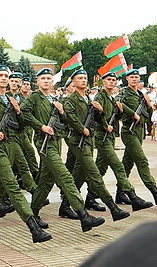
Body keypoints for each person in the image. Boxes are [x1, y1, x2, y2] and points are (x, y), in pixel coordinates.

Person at [0, 65, 52, 243]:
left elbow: (21, 125)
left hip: (13, 145)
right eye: (0, 75)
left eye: (6, 75)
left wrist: (18, 110)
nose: (4, 78)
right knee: (12, 186)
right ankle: (33, 227)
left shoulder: (11, 99)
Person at [21, 68, 105, 232]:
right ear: (37, 82)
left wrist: (61, 111)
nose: (46, 81)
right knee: (65, 177)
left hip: (56, 141)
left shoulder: (54, 98)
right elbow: (23, 114)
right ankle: (83, 215)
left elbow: (65, 121)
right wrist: (41, 126)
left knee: (46, 181)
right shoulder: (34, 98)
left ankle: (33, 212)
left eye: (49, 78)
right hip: (44, 143)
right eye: (43, 78)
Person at [64, 69, 130, 222]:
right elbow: (71, 118)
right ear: (73, 81)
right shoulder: (70, 99)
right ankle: (113, 208)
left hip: (88, 141)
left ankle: (65, 205)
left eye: (85, 78)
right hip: (77, 141)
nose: (83, 80)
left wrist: (99, 112)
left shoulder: (88, 98)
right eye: (79, 78)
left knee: (79, 175)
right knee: (94, 175)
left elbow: (94, 117)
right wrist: (83, 129)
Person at [94, 72, 152, 211]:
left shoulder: (114, 96)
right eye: (109, 80)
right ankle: (135, 195)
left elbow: (117, 114)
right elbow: (97, 115)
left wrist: (148, 104)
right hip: (108, 134)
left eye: (114, 80)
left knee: (103, 167)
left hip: (115, 135)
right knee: (119, 166)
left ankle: (93, 197)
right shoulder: (105, 96)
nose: (112, 82)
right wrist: (131, 114)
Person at [117, 69, 157, 205]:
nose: (134, 79)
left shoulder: (141, 94)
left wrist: (148, 105)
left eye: (136, 77)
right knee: (141, 161)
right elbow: (118, 104)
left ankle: (120, 193)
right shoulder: (124, 92)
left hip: (140, 131)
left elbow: (147, 116)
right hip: (129, 131)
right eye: (132, 77)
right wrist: (132, 114)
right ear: (127, 79)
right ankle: (155, 192)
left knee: (127, 163)